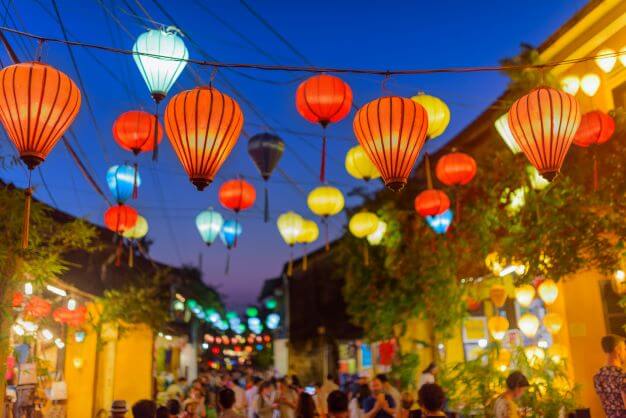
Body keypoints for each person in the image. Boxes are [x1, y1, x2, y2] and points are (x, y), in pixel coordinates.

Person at [593, 334, 626, 418]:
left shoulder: (597, 376)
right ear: (617, 349)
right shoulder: (622, 376)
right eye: (624, 349)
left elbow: (605, 405)